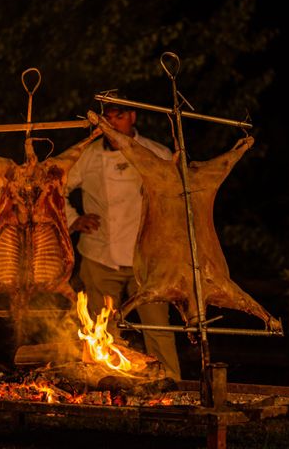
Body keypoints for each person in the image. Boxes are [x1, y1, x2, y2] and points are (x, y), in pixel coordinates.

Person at [64, 95, 181, 380]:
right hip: (100, 255)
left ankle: (172, 385)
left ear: (132, 117)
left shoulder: (157, 153)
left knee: (159, 331)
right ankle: (102, 388)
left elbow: (178, 201)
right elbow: (58, 188)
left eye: (118, 115)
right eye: (107, 116)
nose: (111, 122)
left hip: (149, 260)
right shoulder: (86, 155)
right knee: (101, 331)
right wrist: (73, 219)